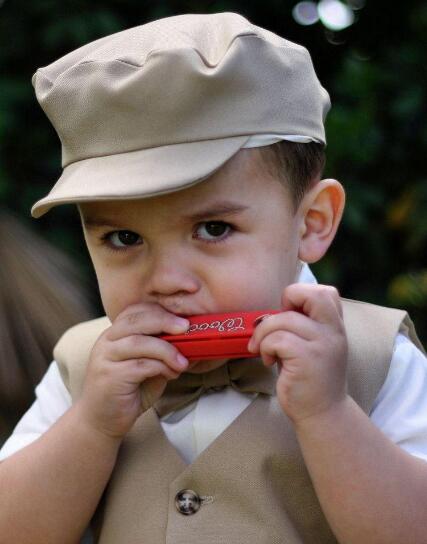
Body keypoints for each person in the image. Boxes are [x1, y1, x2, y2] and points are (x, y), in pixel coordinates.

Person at [0, 12, 426, 544]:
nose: (166, 280)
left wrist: (329, 414)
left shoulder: (377, 357)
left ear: (311, 223)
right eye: (124, 238)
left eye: (214, 229)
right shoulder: (84, 371)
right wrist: (91, 426)